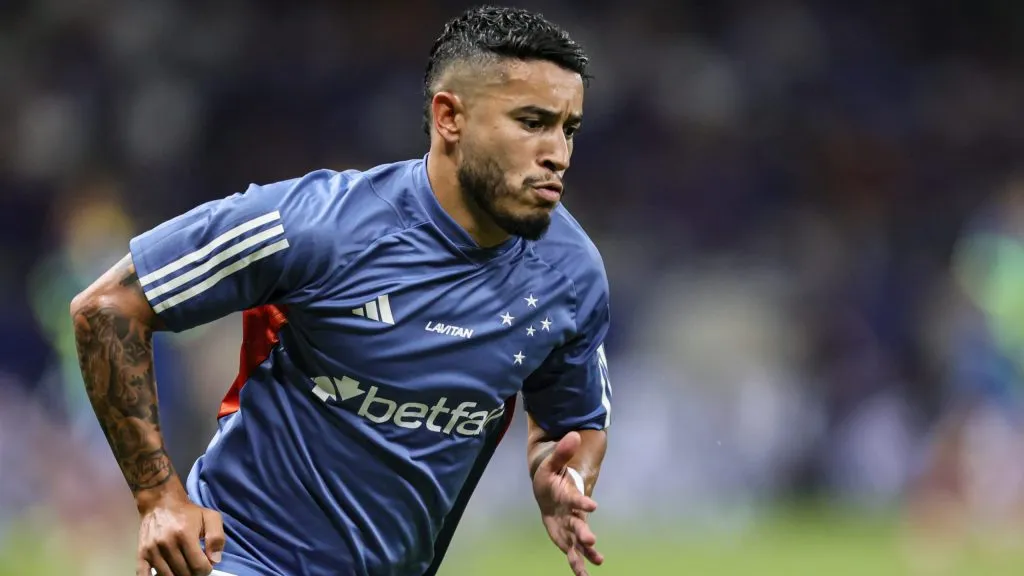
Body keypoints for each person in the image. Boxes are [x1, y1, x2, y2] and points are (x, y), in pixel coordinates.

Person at [70, 5, 612, 576]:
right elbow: (107, 308)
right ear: (450, 117)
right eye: (532, 122)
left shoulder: (569, 275)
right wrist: (159, 499)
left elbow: (571, 427)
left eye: (568, 128)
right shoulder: (320, 227)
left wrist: (565, 476)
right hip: (240, 559)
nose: (558, 153)